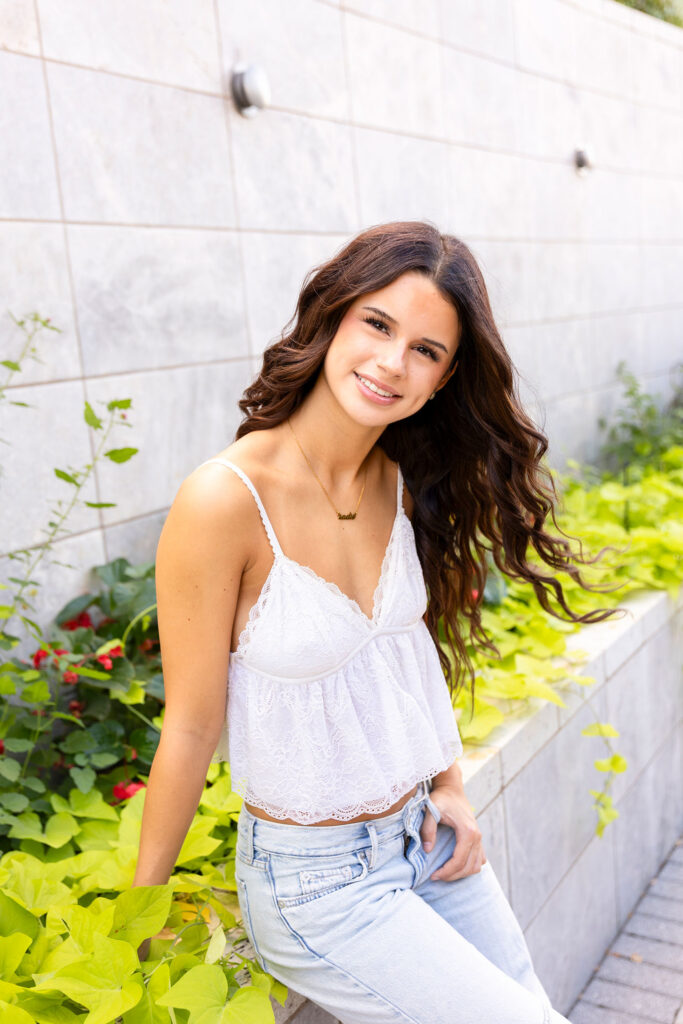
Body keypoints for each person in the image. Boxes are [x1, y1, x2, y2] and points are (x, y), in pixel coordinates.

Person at [133, 221, 620, 1023]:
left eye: (425, 350)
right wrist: (141, 913)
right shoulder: (225, 500)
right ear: (333, 317)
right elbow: (188, 726)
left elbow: (399, 659)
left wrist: (449, 784)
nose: (393, 363)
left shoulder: (398, 480)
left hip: (422, 838)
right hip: (315, 887)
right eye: (378, 324)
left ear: (444, 376)